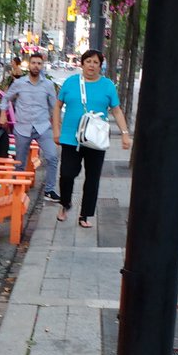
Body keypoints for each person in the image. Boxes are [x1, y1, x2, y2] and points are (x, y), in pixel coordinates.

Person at [53, 48, 132, 226]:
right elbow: (57, 106)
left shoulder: (108, 86)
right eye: (88, 61)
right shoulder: (71, 82)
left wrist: (125, 134)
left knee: (93, 177)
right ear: (82, 64)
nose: (91, 65)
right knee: (67, 174)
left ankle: (85, 215)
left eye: (96, 62)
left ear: (100, 66)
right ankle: (65, 203)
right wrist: (56, 129)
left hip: (96, 139)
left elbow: (117, 111)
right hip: (70, 137)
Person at [0, 50, 60, 200]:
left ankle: (49, 190)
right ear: (29, 65)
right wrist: (2, 114)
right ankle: (17, 194)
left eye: (39, 64)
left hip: (43, 127)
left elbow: (55, 107)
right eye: (33, 63)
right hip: (22, 128)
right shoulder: (19, 83)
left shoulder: (48, 85)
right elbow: (6, 98)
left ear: (42, 66)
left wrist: (58, 128)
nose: (36, 66)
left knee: (52, 157)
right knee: (20, 162)